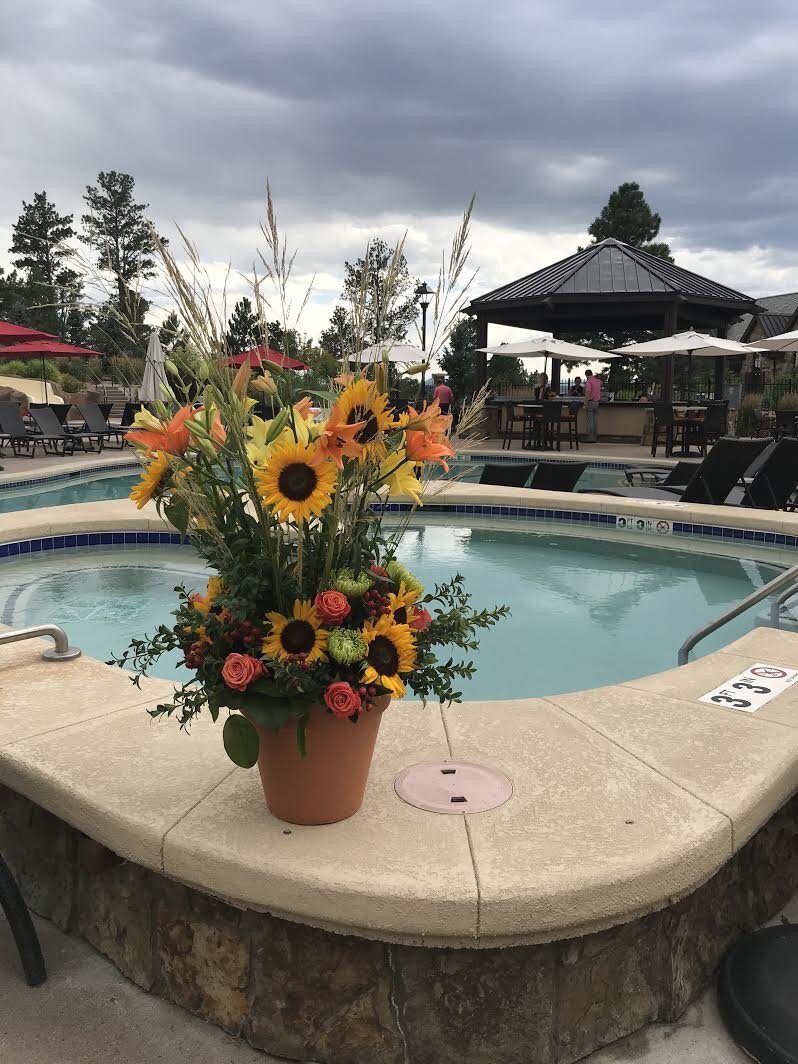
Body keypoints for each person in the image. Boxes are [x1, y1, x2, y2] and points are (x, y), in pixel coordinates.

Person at [584, 369, 602, 443]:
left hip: (591, 402)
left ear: (586, 375)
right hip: (597, 402)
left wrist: (585, 403)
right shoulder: (598, 381)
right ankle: (595, 436)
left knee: (590, 419)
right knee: (595, 419)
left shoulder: (589, 382)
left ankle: (590, 437)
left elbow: (588, 392)